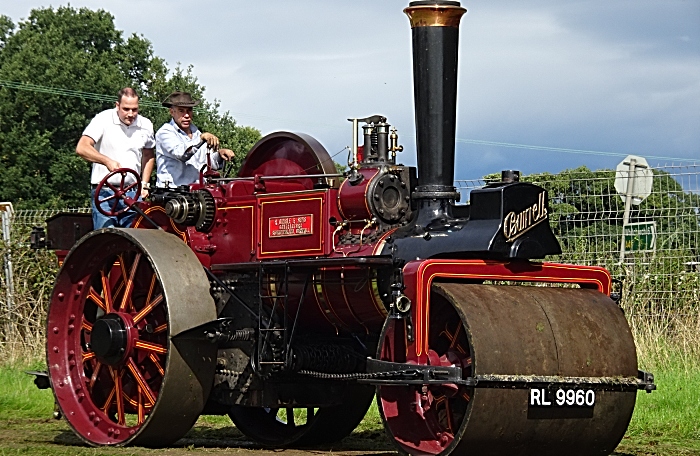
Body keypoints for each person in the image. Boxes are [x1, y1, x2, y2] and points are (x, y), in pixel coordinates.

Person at [76, 88, 155, 229]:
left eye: (135, 109)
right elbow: (82, 148)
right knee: (107, 238)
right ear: (117, 105)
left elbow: (148, 155)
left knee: (135, 240)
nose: (131, 114)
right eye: (126, 109)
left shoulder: (146, 125)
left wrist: (144, 184)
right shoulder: (103, 119)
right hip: (105, 193)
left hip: (132, 193)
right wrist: (106, 161)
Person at [155, 91, 234, 187]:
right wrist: (200, 139)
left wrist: (220, 154)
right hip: (173, 192)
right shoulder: (165, 132)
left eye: (189, 110)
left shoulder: (196, 133)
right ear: (172, 112)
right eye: (181, 111)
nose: (187, 115)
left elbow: (208, 163)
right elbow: (181, 154)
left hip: (196, 192)